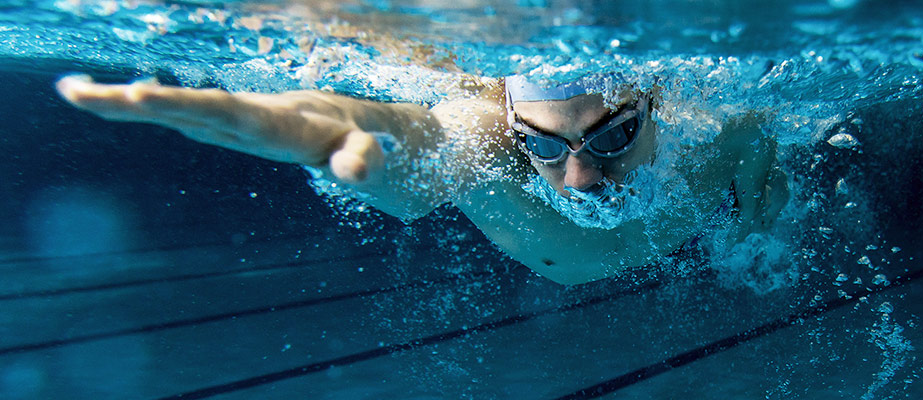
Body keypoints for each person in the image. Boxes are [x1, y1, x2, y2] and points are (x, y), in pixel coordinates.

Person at [55, 72, 789, 284]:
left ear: (655, 102)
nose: (579, 178)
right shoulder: (480, 137)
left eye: (616, 136)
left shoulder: (731, 131)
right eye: (539, 144)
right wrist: (329, 132)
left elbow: (763, 213)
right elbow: (425, 145)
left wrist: (756, 250)